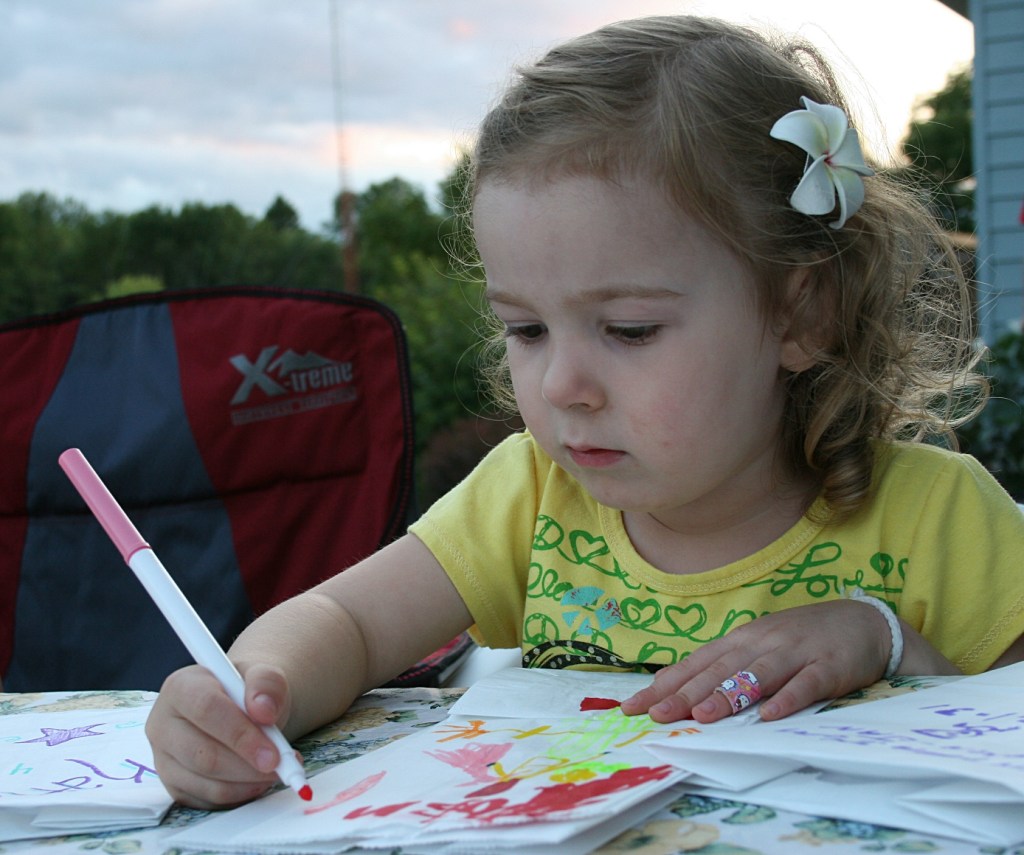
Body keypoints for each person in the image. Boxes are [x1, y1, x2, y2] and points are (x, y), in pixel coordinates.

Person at [146, 15, 1024, 809]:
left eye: (629, 329)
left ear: (803, 315)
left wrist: (886, 641)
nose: (563, 383)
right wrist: (254, 690)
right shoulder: (530, 498)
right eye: (526, 329)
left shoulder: (940, 520)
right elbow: (346, 621)